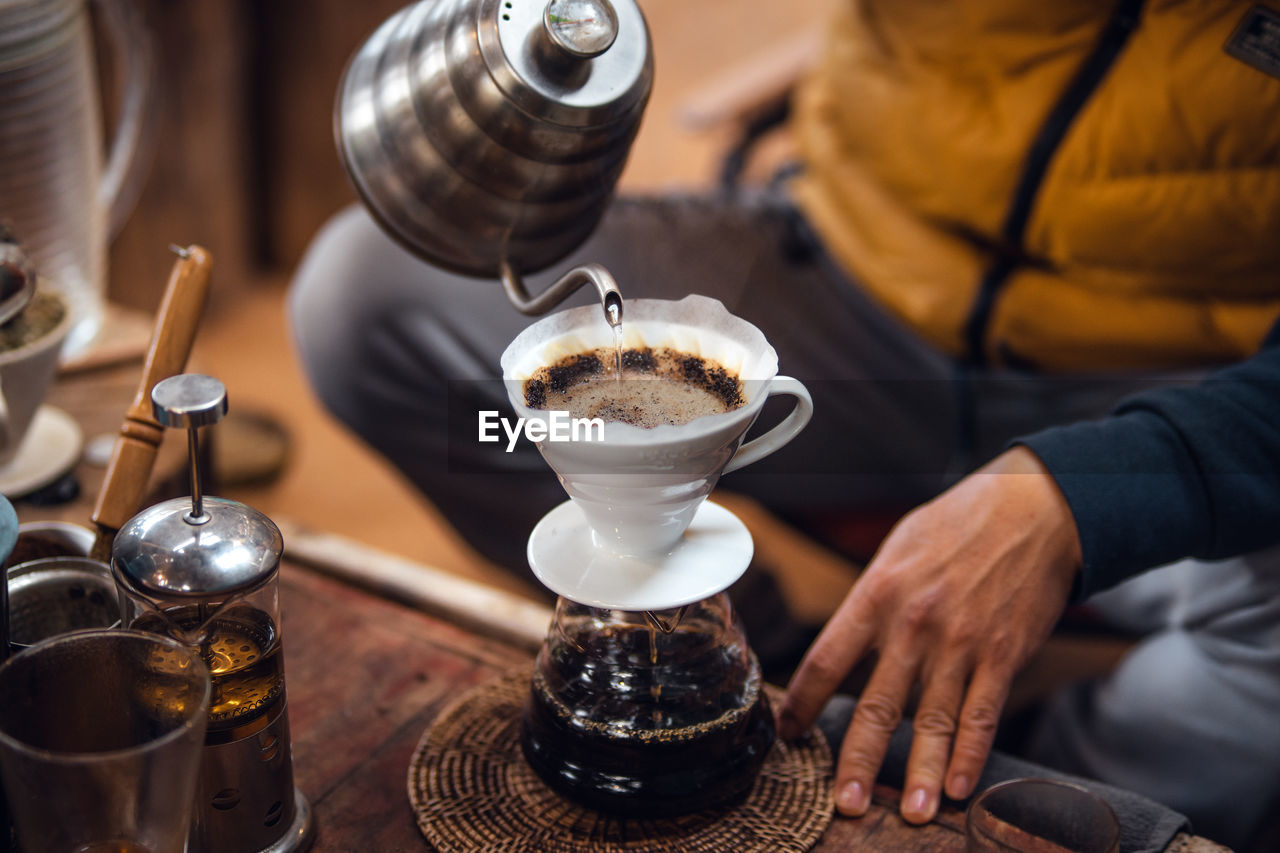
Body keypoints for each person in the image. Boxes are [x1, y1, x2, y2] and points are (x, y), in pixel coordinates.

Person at [289, 0, 1280, 847]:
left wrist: (1083, 489)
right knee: (364, 300)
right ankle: (763, 670)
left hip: (1165, 374)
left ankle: (973, 784)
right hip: (848, 283)